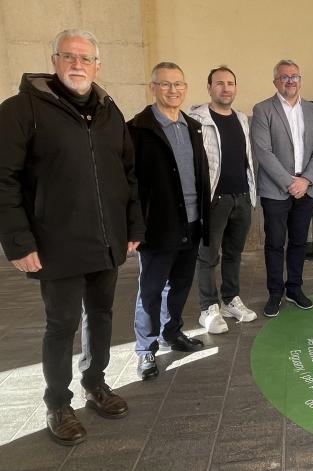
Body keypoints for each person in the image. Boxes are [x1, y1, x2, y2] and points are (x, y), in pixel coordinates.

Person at [0, 29, 144, 445]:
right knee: (60, 325)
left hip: (106, 240)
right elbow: (4, 179)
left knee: (101, 316)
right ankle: (58, 403)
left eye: (86, 58)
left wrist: (133, 227)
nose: (78, 64)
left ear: (97, 65)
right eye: (69, 57)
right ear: (54, 61)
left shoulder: (109, 112)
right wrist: (18, 241)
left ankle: (95, 383)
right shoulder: (20, 109)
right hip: (55, 243)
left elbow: (128, 175)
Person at [129, 62, 211, 380]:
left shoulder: (192, 127)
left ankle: (172, 332)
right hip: (159, 225)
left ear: (185, 88)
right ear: (153, 88)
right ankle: (145, 350)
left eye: (178, 84)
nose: (173, 90)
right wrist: (136, 226)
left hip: (191, 221)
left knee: (179, 284)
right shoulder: (137, 130)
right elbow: (130, 184)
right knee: (150, 289)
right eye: (165, 84)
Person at [250, 59, 313, 317]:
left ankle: (294, 288)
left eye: (294, 76)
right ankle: (275, 293)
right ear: (275, 82)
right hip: (275, 190)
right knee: (274, 243)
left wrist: (305, 180)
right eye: (284, 77)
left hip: (305, 188)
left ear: (300, 80)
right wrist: (289, 182)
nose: (290, 81)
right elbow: (263, 151)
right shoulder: (262, 110)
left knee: (297, 242)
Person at [189, 66, 257, 334]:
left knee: (233, 253)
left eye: (230, 83)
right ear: (209, 88)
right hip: (213, 200)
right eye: (220, 83)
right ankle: (208, 308)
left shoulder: (241, 118)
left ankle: (230, 300)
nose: (226, 88)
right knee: (207, 256)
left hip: (241, 196)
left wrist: (251, 194)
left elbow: (247, 160)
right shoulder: (197, 120)